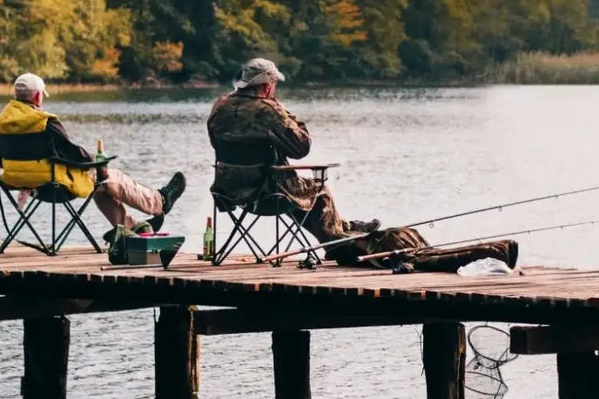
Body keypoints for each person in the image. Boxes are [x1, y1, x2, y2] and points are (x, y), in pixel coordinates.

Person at [207, 58, 517, 272]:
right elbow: (302, 148)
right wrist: (285, 113)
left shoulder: (219, 106)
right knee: (319, 191)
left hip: (231, 192)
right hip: (267, 192)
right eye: (274, 85)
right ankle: (342, 241)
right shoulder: (268, 110)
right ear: (267, 86)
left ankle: (346, 232)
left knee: (306, 196)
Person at [0, 73, 185, 243]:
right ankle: (159, 201)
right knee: (108, 177)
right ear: (37, 96)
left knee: (101, 185)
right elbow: (73, 154)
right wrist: (95, 159)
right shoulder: (44, 122)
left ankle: (130, 229)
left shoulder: (0, 123)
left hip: (19, 184)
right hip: (54, 186)